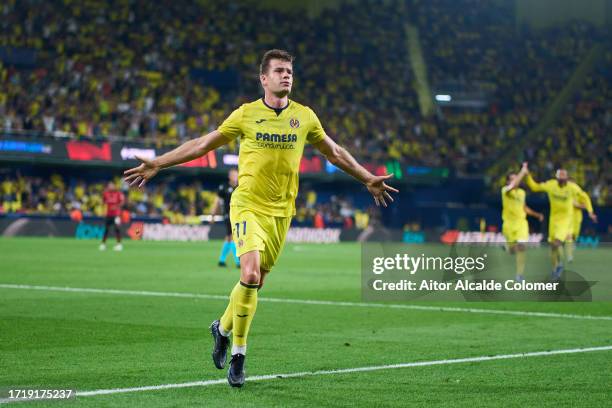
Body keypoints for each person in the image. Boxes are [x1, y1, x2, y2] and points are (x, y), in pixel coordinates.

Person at [124, 49, 398, 387]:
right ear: (263, 78)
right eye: (280, 71)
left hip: (282, 212)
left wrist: (367, 177)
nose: (287, 76)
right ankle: (239, 355)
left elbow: (335, 152)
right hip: (247, 205)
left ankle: (222, 328)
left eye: (290, 72)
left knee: (256, 283)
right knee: (250, 274)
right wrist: (160, 162)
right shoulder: (245, 114)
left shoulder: (305, 117)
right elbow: (203, 144)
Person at [524, 163, 596, 280]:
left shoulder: (572, 187)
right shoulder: (551, 185)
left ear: (567, 178)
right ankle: (556, 268)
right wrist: (527, 175)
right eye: (560, 176)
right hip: (553, 220)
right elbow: (534, 187)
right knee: (552, 246)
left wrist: (590, 211)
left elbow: (585, 197)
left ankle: (563, 262)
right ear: (557, 177)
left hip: (566, 220)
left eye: (564, 177)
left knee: (557, 243)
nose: (562, 179)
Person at [501, 164, 544, 282]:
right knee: (512, 251)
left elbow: (524, 207)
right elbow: (513, 185)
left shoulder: (521, 193)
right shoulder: (505, 191)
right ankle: (508, 247)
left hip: (521, 224)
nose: (516, 180)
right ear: (508, 181)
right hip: (509, 225)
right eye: (513, 178)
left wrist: (537, 214)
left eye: (516, 178)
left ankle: (519, 275)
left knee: (522, 247)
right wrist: (522, 171)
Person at [213, 169, 240, 268]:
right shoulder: (224, 187)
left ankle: (221, 260)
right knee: (233, 237)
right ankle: (238, 262)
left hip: (238, 215)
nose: (235, 177)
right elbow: (217, 201)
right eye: (233, 175)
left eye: (236, 175)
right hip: (228, 215)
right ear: (229, 176)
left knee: (229, 238)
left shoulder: (239, 187)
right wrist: (213, 214)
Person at [566, 179, 596, 263]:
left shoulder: (579, 194)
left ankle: (572, 245)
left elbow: (585, 204)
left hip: (577, 218)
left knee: (575, 235)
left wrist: (579, 205)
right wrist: (576, 204)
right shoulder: (565, 193)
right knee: (569, 235)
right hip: (567, 218)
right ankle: (569, 255)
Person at [100, 181, 125, 251]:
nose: (111, 187)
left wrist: (116, 206)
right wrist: (103, 210)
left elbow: (122, 202)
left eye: (112, 185)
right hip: (108, 214)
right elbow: (103, 202)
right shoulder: (105, 193)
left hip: (116, 215)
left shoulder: (118, 193)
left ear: (114, 186)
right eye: (109, 185)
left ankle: (119, 244)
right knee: (106, 229)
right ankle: (103, 244)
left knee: (117, 229)